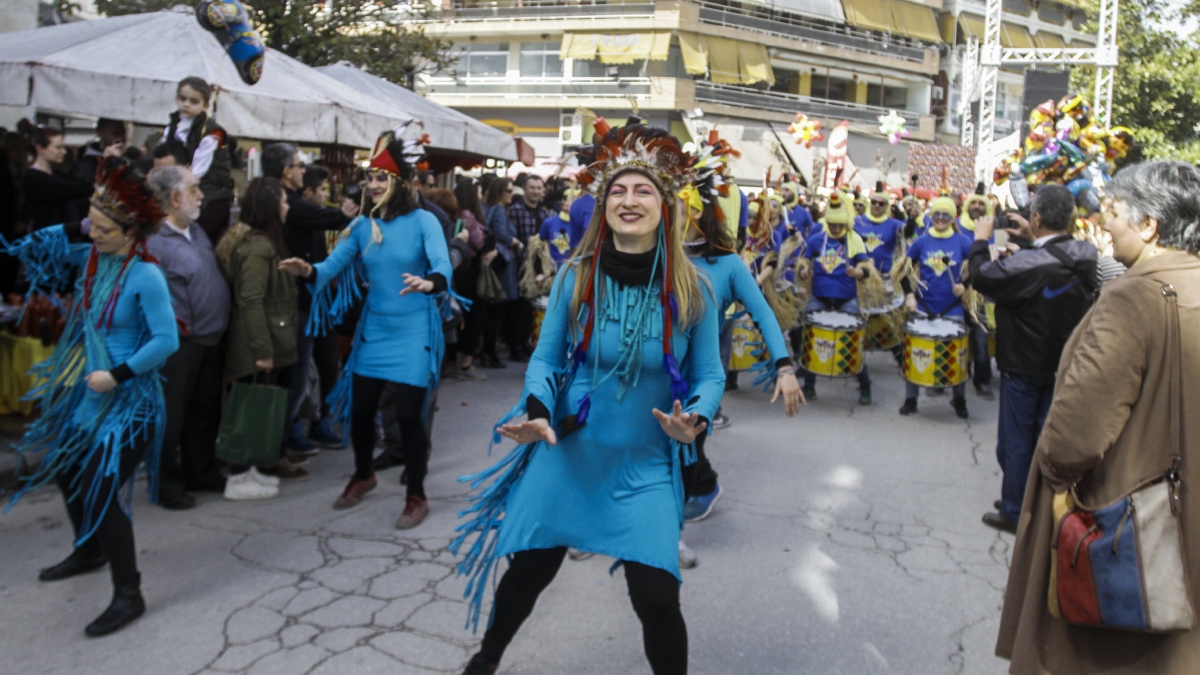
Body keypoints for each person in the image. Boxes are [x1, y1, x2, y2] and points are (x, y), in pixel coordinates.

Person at [454, 119, 725, 675]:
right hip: (570, 453)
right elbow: (545, 360)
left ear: (666, 205)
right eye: (617, 190)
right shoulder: (575, 276)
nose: (629, 200)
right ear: (603, 205)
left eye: (643, 190)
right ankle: (484, 662)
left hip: (645, 465)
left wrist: (695, 417)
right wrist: (537, 412)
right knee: (528, 573)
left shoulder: (694, 287)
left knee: (656, 597)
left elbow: (710, 375)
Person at [996, 161, 1200, 673]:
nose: (1103, 223)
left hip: (1125, 533)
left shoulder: (1132, 297)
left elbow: (1074, 439)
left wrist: (1057, 479)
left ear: (1149, 225)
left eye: (1113, 212)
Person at [3, 157, 179, 636]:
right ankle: (89, 549)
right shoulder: (93, 260)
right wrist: (79, 224)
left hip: (132, 401)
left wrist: (117, 375)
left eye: (103, 228)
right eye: (91, 225)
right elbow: (30, 245)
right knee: (65, 468)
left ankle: (129, 594)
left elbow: (166, 341)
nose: (94, 234)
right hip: (93, 396)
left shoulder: (146, 275)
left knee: (101, 488)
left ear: (131, 230)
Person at [279, 126, 451, 528]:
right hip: (374, 331)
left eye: (380, 178)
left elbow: (442, 264)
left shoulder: (424, 221)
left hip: (414, 330)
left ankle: (416, 495)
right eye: (369, 178)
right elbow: (330, 268)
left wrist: (430, 283)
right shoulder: (362, 226)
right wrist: (308, 270)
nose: (372, 185)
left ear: (399, 183)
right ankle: (363, 475)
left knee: (409, 416)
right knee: (359, 413)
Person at [679, 181, 803, 566]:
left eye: (673, 204)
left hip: (700, 381)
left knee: (682, 452)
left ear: (695, 212)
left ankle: (670, 535)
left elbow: (762, 312)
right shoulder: (658, 257)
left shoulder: (728, 264)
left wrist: (783, 367)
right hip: (651, 374)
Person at [970, 185, 1098, 533]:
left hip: (1023, 365)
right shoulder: (1087, 255)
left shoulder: (1025, 263)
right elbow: (1056, 255)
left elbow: (981, 277)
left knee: (1016, 444)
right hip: (1064, 365)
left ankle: (1015, 511)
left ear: (1036, 218)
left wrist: (981, 239)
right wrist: (1032, 239)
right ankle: (1033, 503)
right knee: (1045, 439)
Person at [145, 165, 232, 509]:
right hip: (179, 344)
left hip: (209, 339)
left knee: (204, 412)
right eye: (194, 189)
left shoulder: (195, 231)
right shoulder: (154, 241)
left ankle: (201, 470)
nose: (201, 195)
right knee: (171, 416)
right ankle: (165, 483)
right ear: (174, 198)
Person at [263, 144, 358, 453]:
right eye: (298, 165)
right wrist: (344, 213)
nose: (302, 169)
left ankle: (309, 428)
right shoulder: (290, 204)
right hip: (298, 305)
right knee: (296, 376)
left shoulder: (296, 204)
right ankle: (282, 442)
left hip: (315, 303)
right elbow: (330, 218)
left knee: (322, 368)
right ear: (286, 172)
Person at [215, 177, 305, 499]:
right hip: (258, 345)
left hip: (268, 339)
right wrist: (263, 350)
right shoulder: (258, 248)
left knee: (260, 409)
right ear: (270, 208)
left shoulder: (262, 243)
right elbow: (251, 301)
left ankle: (252, 470)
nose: (287, 206)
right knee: (249, 410)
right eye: (283, 201)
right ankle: (239, 476)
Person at [899, 195, 974, 418]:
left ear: (953, 217)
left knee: (957, 355)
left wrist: (965, 285)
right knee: (915, 354)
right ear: (931, 216)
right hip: (923, 307)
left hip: (952, 308)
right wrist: (909, 295)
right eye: (937, 214)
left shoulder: (963, 242)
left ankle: (959, 399)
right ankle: (911, 399)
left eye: (946, 215)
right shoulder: (921, 241)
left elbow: (978, 268)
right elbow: (904, 272)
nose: (941, 218)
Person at [798, 192, 873, 404]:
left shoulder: (854, 240)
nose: (837, 228)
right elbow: (804, 261)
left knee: (853, 343)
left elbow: (867, 269)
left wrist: (857, 272)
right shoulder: (816, 240)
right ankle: (809, 386)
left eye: (840, 225)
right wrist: (803, 271)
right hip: (819, 296)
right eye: (833, 225)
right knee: (811, 341)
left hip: (846, 299)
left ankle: (865, 386)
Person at [162, 77, 235, 242]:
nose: (186, 104)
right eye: (182, 99)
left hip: (211, 197)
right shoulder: (172, 126)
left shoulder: (212, 132)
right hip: (183, 190)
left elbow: (197, 171)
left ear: (205, 105)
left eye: (193, 101)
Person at [18, 119, 102, 231]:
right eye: (58, 147)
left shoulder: (56, 175)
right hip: (42, 236)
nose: (64, 151)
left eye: (63, 147)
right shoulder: (32, 177)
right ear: (40, 148)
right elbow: (73, 189)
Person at [477, 177, 520, 366]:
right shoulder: (499, 210)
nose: (511, 194)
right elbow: (502, 235)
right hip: (501, 266)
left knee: (494, 311)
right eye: (508, 191)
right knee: (495, 311)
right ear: (500, 191)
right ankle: (489, 353)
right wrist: (515, 242)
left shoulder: (494, 209)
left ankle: (488, 351)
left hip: (498, 263)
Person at [506, 174, 548, 361]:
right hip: (520, 266)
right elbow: (511, 238)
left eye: (539, 188)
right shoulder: (515, 211)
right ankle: (515, 346)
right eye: (532, 187)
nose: (536, 191)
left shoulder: (544, 213)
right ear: (524, 189)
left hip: (539, 268)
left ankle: (525, 343)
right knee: (518, 309)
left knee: (531, 308)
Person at [451, 178, 488, 380]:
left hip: (461, 270)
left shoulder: (456, 213)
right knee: (474, 315)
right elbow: (479, 242)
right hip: (469, 271)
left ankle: (458, 361)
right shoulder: (468, 215)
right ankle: (465, 363)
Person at [71, 118, 126, 220]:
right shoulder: (86, 164)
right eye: (115, 133)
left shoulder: (123, 160)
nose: (121, 138)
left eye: (123, 133)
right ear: (100, 133)